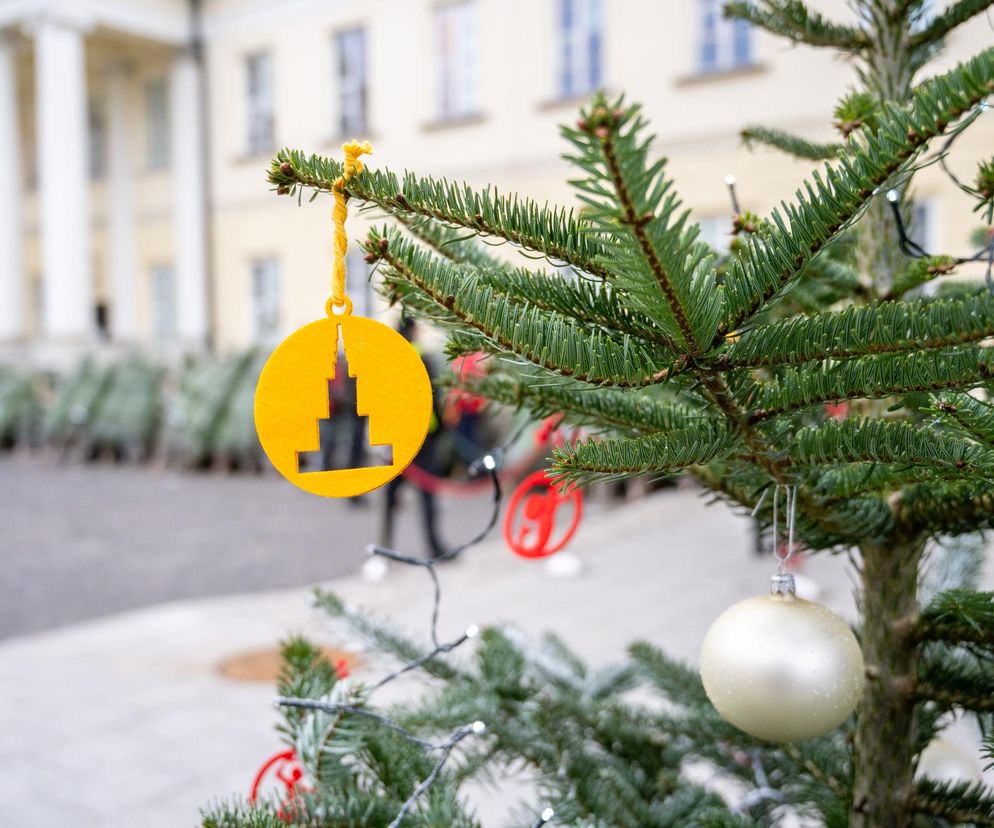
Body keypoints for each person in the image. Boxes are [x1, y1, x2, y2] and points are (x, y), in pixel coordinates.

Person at [380, 317, 449, 559]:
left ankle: (384, 548)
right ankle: (435, 547)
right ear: (413, 330)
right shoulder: (420, 358)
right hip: (423, 438)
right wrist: (441, 428)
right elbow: (433, 395)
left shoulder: (389, 360)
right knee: (427, 495)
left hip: (397, 439)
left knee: (390, 497)